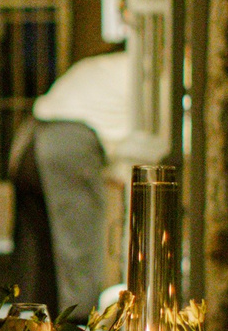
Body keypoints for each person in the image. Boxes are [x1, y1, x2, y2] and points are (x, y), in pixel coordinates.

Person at [10, 45, 151, 315]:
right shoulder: (151, 73)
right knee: (80, 253)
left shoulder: (103, 64)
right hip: (68, 142)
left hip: (28, 139)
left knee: (38, 254)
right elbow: (143, 151)